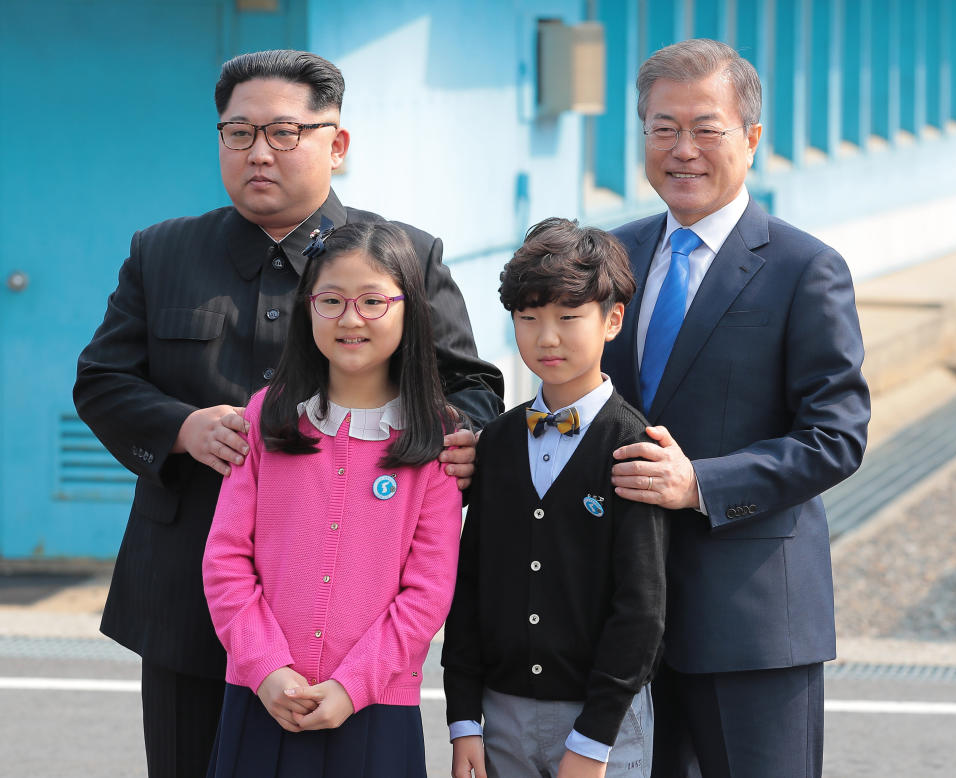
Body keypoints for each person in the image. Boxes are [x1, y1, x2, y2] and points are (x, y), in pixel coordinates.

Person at [73, 49, 503, 777]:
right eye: (237, 133)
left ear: (336, 142)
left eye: (283, 131)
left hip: (349, 618)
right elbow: (103, 380)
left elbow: (471, 389)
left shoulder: (402, 257)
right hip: (188, 592)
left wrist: (452, 440)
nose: (257, 152)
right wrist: (182, 428)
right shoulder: (163, 250)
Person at [601, 39, 871, 777]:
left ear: (750, 139)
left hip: (753, 623)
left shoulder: (804, 267)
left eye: (705, 128)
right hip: (621, 619)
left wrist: (701, 486)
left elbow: (836, 437)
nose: (682, 150)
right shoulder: (611, 259)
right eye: (663, 128)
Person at [201, 221, 461, 777]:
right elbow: (225, 562)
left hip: (374, 708)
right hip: (263, 695)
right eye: (332, 300)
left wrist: (351, 685)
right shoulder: (267, 417)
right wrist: (267, 668)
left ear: (409, 310)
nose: (350, 319)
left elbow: (428, 592)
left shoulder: (435, 437)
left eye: (373, 301)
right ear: (307, 308)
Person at [442, 217, 669, 778]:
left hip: (603, 723)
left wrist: (593, 740)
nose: (547, 337)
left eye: (569, 317)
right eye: (528, 318)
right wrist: (464, 718)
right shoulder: (494, 441)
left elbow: (641, 608)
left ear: (613, 319)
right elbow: (469, 584)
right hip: (500, 714)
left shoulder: (632, 446)